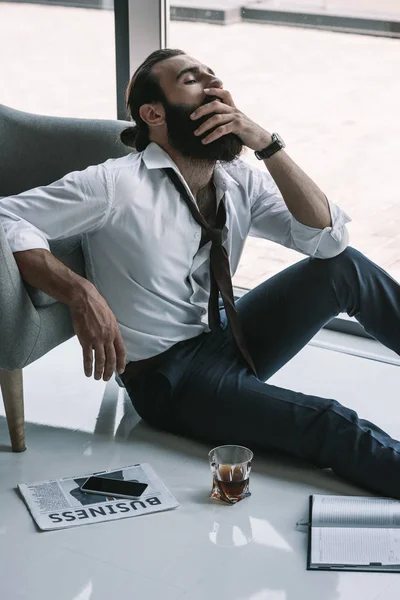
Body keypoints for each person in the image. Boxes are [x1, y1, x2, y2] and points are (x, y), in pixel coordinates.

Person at [1, 49, 400, 500]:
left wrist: (266, 143)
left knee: (346, 269)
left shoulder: (235, 176)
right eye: (193, 80)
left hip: (229, 336)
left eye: (216, 78)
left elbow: (328, 240)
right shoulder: (115, 184)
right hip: (170, 379)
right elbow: (6, 218)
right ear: (154, 112)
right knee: (328, 422)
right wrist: (78, 291)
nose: (215, 87)